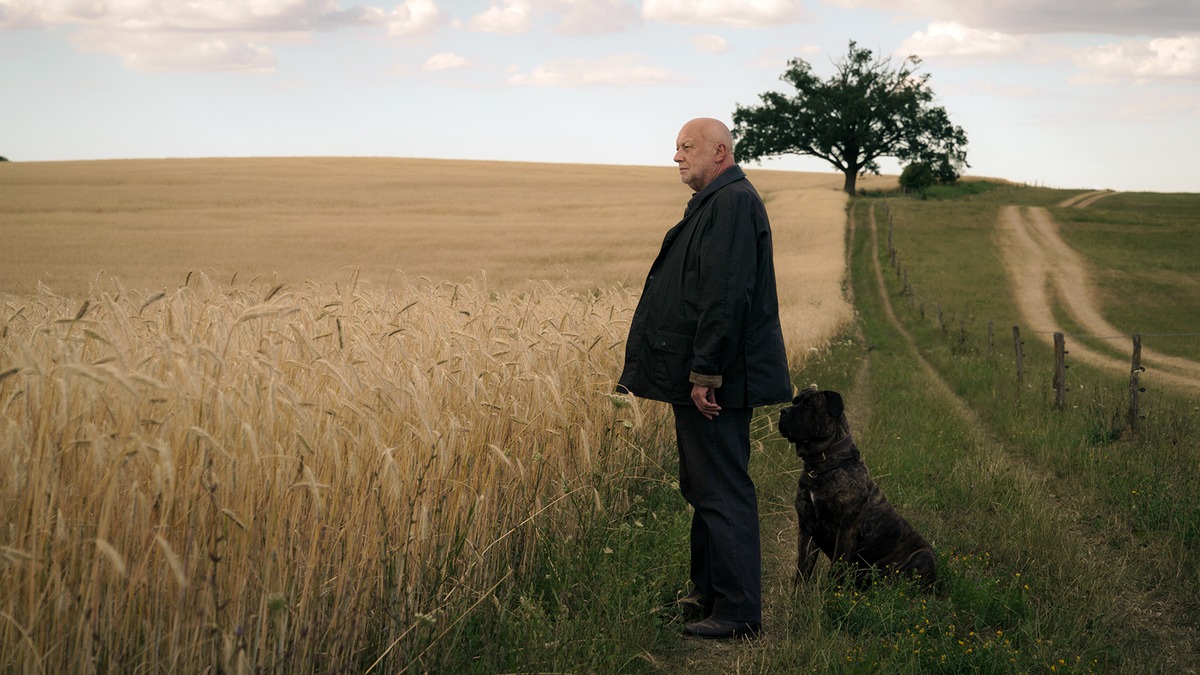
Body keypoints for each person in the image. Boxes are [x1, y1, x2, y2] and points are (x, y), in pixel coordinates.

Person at [617, 117, 791, 639]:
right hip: (710, 374)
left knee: (721, 488)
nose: (676, 157)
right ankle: (707, 597)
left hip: (719, 378)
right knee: (704, 486)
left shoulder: (733, 203)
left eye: (685, 147)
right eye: (675, 148)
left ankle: (738, 613)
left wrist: (706, 373)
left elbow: (724, 294)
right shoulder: (719, 202)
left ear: (720, 151)